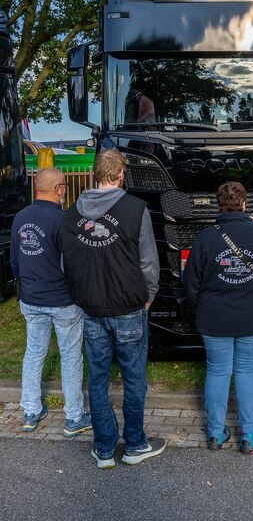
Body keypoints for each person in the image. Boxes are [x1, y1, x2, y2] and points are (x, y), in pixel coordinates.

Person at [59, 149, 165, 469]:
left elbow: (67, 264)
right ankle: (134, 444)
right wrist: (149, 296)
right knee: (134, 377)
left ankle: (104, 448)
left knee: (98, 376)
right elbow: (148, 260)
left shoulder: (70, 215)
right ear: (121, 174)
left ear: (94, 174)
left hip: (91, 308)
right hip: (129, 307)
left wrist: (81, 295)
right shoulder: (135, 209)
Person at [184, 182, 253, 454]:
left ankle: (215, 433)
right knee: (246, 370)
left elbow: (191, 282)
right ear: (245, 204)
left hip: (214, 318)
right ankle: (250, 435)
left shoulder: (205, 238)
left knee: (217, 370)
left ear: (219, 205)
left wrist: (201, 305)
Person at [10, 168, 91, 437]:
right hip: (63, 300)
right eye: (64, 186)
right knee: (70, 356)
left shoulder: (20, 218)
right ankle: (74, 417)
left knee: (34, 353)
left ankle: (30, 412)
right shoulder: (63, 219)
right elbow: (73, 264)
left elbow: (14, 260)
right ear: (58, 189)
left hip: (31, 298)